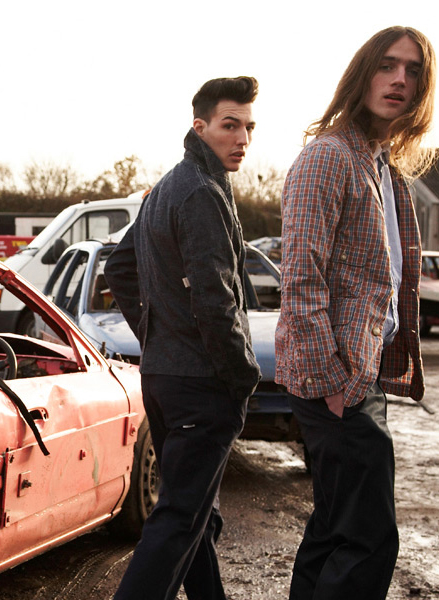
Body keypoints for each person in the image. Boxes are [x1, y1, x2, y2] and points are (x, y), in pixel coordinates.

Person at [275, 26, 437, 600]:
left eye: (413, 70)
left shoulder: (380, 164)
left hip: (357, 375)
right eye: (387, 65)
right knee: (370, 539)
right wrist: (332, 383)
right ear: (361, 74)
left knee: (333, 528)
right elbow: (300, 280)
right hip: (336, 380)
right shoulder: (328, 157)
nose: (399, 80)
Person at [105, 76, 262, 600]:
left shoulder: (171, 185)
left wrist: (158, 337)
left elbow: (120, 267)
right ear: (201, 126)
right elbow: (215, 300)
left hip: (166, 377)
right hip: (201, 384)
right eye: (229, 125)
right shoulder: (199, 192)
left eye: (249, 127)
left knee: (195, 516)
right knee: (178, 519)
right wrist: (242, 376)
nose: (242, 139)